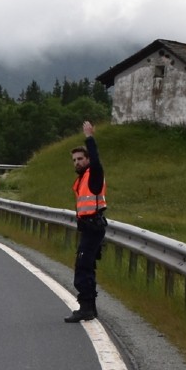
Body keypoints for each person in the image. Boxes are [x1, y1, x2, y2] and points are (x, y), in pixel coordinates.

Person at [65, 120, 107, 323]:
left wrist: (89, 137)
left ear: (88, 159)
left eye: (80, 159)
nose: (77, 163)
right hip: (89, 227)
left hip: (94, 226)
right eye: (74, 160)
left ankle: (86, 308)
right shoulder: (82, 178)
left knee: (82, 267)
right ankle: (90, 307)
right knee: (87, 267)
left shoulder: (94, 174)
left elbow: (97, 161)